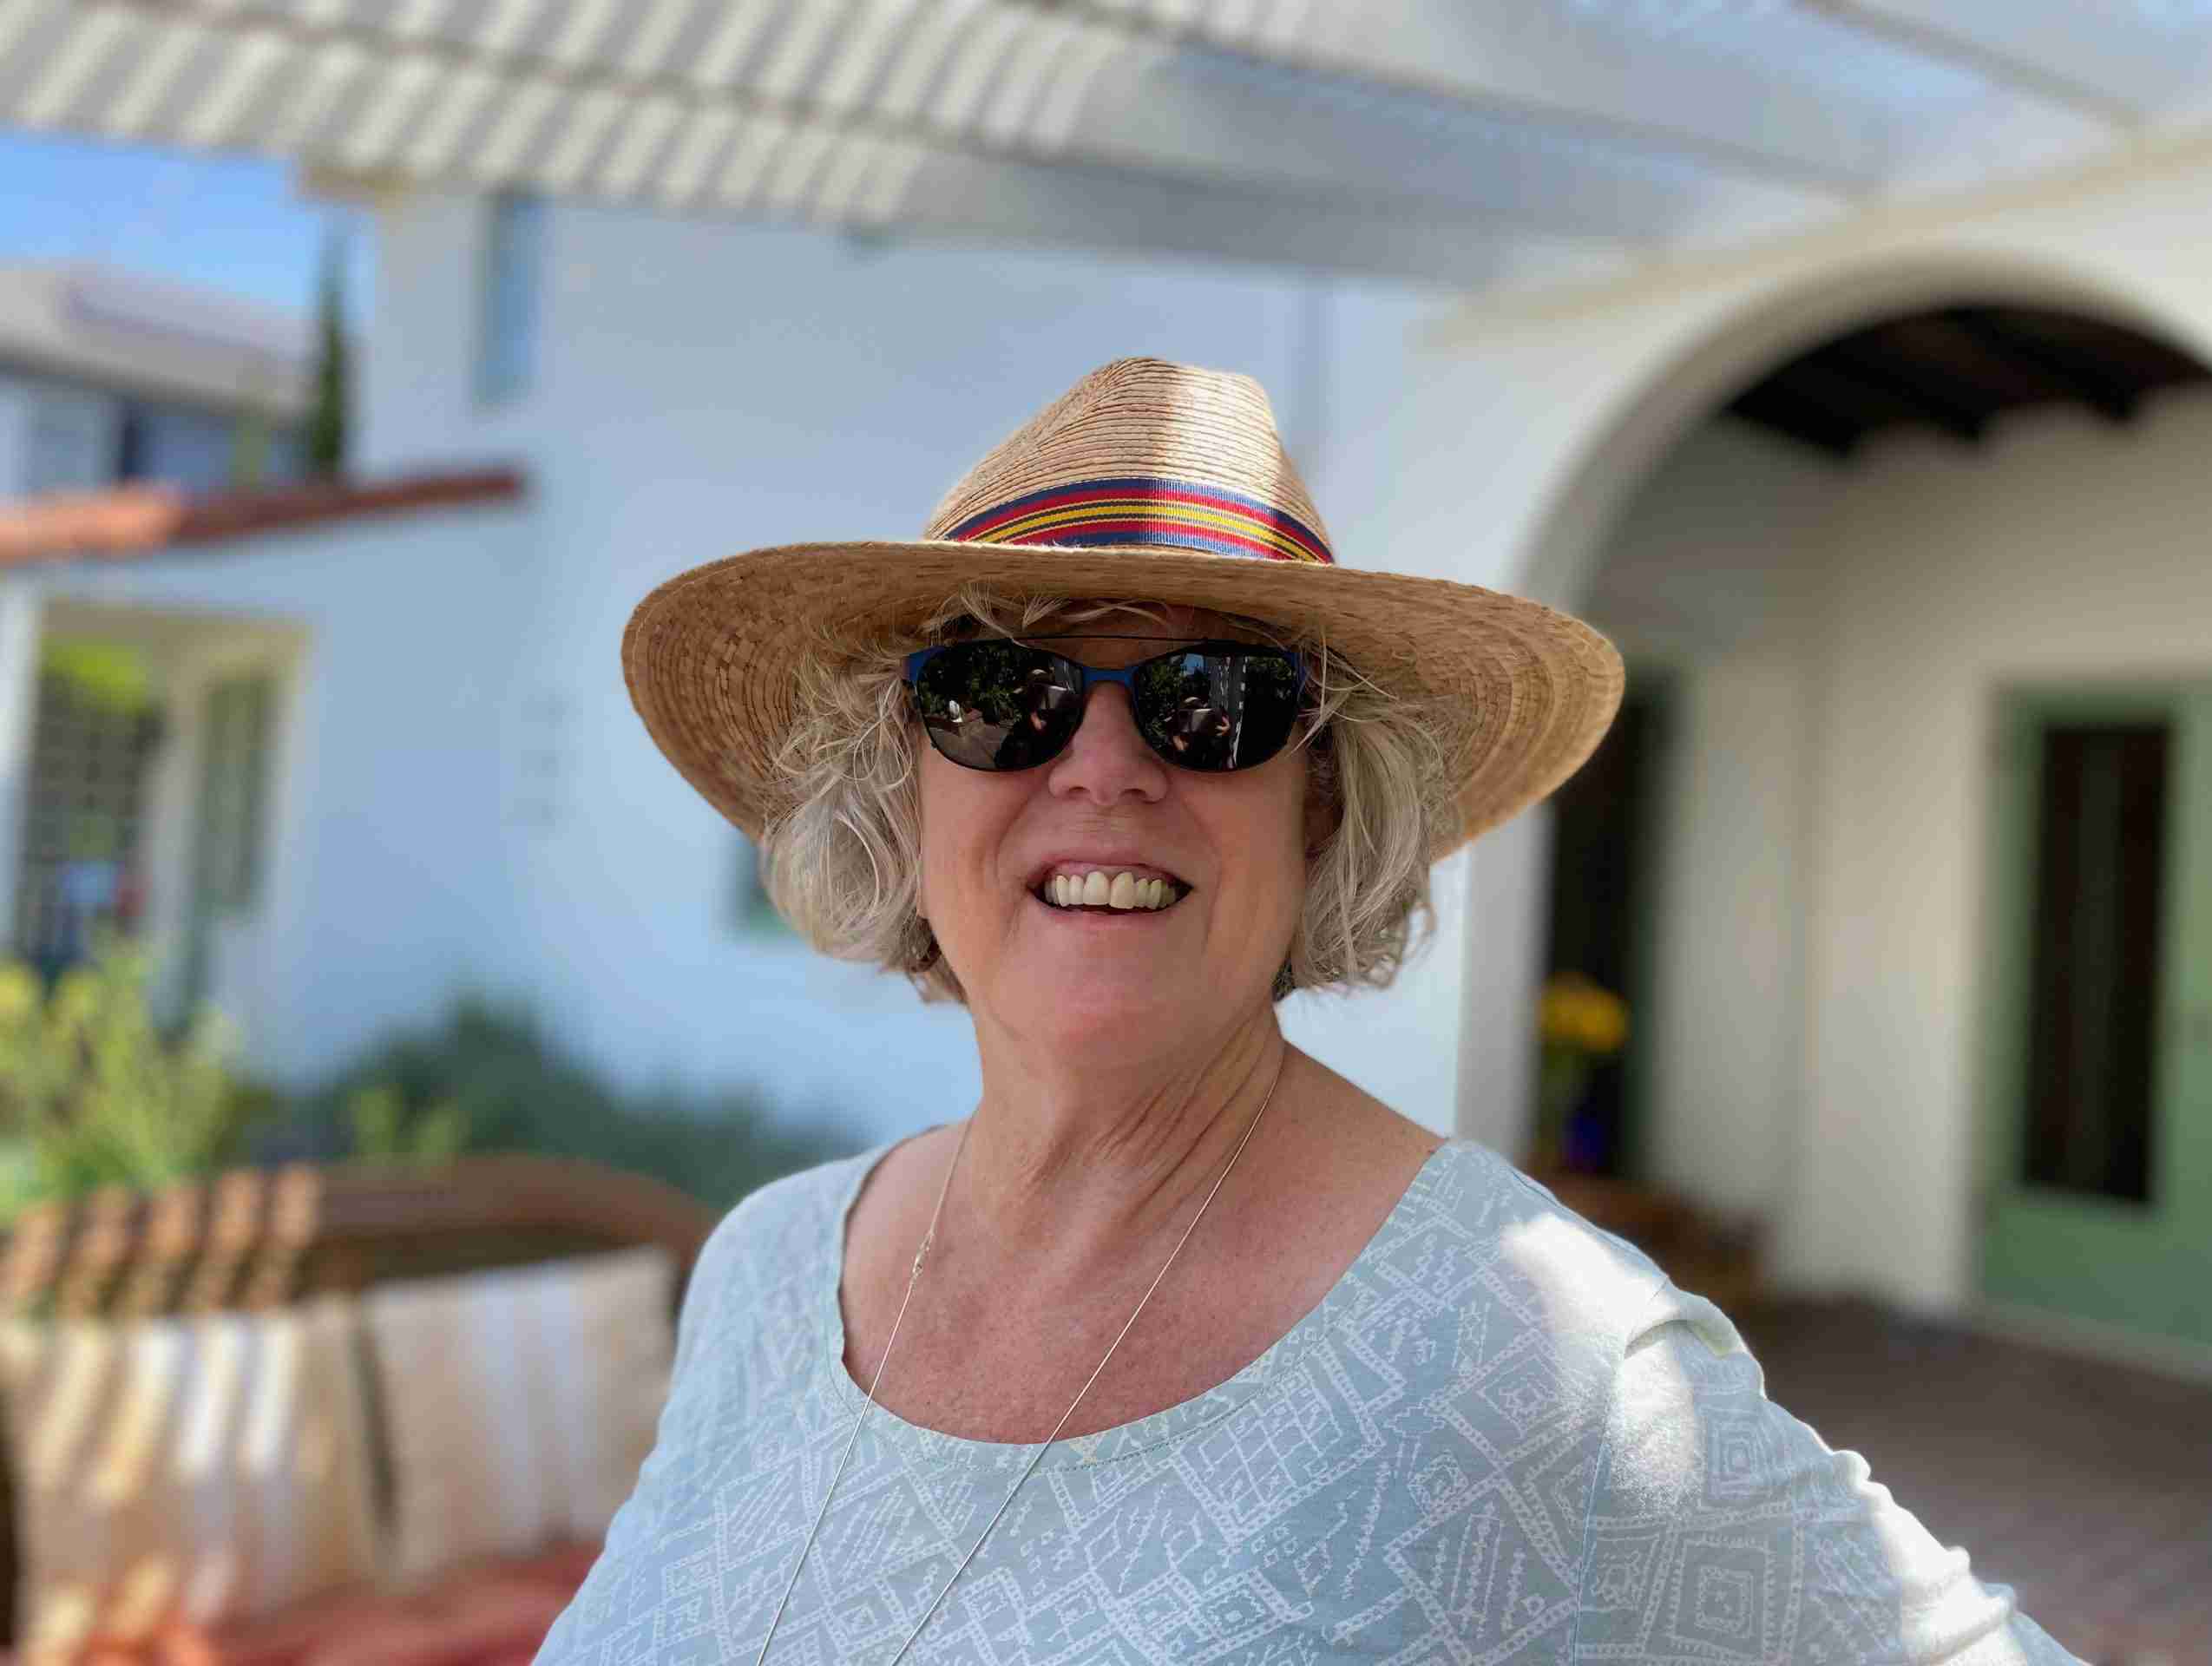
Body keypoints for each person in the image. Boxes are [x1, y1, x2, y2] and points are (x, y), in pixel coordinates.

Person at [540, 359, 2080, 1664]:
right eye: (1000, 692)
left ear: (1323, 805)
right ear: (901, 789)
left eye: (1215, 701)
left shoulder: (1520, 1345)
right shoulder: (770, 1268)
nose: (1105, 768)